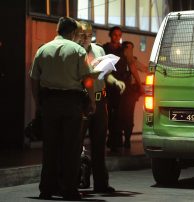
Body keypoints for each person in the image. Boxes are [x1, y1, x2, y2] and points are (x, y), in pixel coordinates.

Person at [30, 17, 96, 200]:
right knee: (71, 147)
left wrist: (38, 103)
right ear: (74, 33)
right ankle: (69, 189)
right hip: (71, 104)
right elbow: (87, 79)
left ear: (58, 30)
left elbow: (34, 78)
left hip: (49, 103)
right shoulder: (77, 50)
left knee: (50, 148)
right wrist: (92, 100)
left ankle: (47, 189)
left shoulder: (43, 50)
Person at [78, 21, 125, 193]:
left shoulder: (98, 50)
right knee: (75, 143)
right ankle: (72, 181)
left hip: (100, 102)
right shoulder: (74, 52)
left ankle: (101, 183)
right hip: (82, 102)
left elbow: (106, 74)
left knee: (99, 145)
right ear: (76, 34)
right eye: (82, 34)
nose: (86, 38)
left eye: (89, 34)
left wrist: (115, 81)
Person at [103, 26, 144, 151]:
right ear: (110, 35)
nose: (117, 37)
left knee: (122, 113)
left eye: (119, 35)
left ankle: (121, 140)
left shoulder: (124, 50)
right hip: (110, 85)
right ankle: (114, 140)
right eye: (115, 34)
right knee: (111, 114)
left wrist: (140, 85)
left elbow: (132, 66)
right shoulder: (105, 48)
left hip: (123, 86)